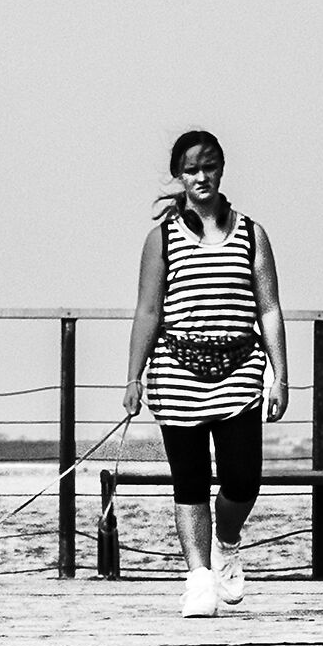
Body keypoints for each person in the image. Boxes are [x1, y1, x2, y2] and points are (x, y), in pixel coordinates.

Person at [122, 129, 290, 618]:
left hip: (240, 371)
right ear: (179, 175)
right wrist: (133, 377)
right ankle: (198, 579)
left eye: (209, 166)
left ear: (221, 170)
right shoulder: (162, 239)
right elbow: (148, 311)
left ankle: (227, 541)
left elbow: (270, 308)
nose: (202, 177)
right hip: (177, 371)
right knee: (190, 482)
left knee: (244, 479)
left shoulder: (252, 234)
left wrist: (281, 375)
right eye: (192, 169)